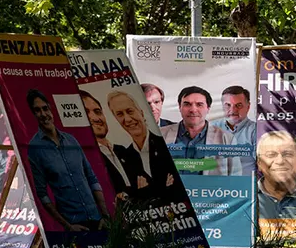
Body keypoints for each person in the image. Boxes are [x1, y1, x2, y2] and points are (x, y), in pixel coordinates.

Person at [26, 89, 109, 232]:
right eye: (37, 110)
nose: (43, 114)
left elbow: (91, 178)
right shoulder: (35, 148)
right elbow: (42, 194)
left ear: (50, 109)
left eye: (45, 108)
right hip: (75, 224)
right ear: (33, 114)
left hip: (98, 220)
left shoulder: (71, 140)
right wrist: (67, 226)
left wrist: (105, 215)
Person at [108, 90, 182, 201]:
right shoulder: (124, 157)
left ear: (141, 113)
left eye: (130, 111)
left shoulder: (167, 141)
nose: (127, 119)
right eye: (119, 114)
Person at [160, 86, 236, 175]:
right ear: (180, 107)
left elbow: (235, 177)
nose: (193, 109)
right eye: (187, 104)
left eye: (199, 104)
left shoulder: (227, 139)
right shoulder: (160, 135)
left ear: (208, 108)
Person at [80, 90, 142, 200]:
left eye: (98, 111)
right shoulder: (85, 158)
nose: (95, 118)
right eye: (86, 113)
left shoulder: (125, 151)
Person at [256, 131, 296, 219]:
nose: (280, 161)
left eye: (288, 154)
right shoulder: (245, 200)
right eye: (271, 155)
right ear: (259, 163)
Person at [211, 85, 257, 166]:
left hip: (245, 178)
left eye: (238, 105)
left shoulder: (256, 130)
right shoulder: (210, 128)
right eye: (228, 105)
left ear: (248, 107)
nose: (233, 110)